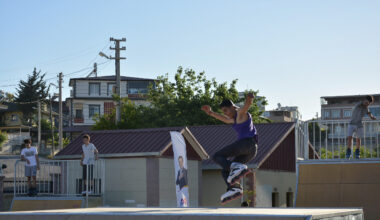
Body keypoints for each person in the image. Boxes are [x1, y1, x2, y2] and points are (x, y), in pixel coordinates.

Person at [201, 92, 258, 205]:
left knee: (217, 156)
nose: (225, 114)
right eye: (224, 112)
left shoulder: (240, 114)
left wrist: (249, 99)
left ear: (232, 107)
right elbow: (224, 119)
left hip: (246, 144)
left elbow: (246, 106)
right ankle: (235, 188)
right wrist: (210, 113)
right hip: (251, 151)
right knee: (225, 170)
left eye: (226, 111)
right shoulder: (233, 119)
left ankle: (238, 168)